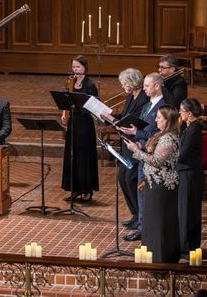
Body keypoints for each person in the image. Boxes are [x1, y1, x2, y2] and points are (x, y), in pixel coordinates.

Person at [124, 105, 181, 263]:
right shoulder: (160, 134)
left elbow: (157, 161)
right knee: (150, 219)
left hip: (161, 186)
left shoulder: (169, 138)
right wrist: (138, 147)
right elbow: (151, 152)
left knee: (159, 220)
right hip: (152, 183)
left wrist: (136, 152)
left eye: (159, 117)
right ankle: (150, 253)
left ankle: (160, 256)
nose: (155, 119)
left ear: (167, 120)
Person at [118, 72, 167, 242]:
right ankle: (141, 226)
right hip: (142, 153)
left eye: (147, 86)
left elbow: (158, 132)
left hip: (153, 156)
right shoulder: (148, 105)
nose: (144, 88)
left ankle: (145, 228)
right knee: (141, 192)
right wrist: (136, 137)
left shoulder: (164, 106)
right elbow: (143, 127)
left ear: (157, 86)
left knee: (147, 193)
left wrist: (137, 133)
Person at [99, 68, 148, 231]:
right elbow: (124, 116)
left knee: (131, 179)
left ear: (132, 83)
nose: (122, 87)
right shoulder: (131, 96)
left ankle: (140, 216)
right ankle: (135, 213)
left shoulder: (143, 99)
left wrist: (112, 119)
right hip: (126, 145)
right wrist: (108, 117)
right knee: (122, 178)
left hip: (136, 144)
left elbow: (132, 123)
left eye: (124, 84)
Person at [61, 55, 99, 203]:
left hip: (84, 124)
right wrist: (63, 113)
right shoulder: (71, 82)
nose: (75, 69)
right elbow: (65, 99)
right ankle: (75, 188)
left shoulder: (90, 86)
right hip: (73, 123)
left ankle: (87, 190)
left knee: (84, 156)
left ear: (84, 68)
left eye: (77, 67)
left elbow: (94, 105)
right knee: (72, 155)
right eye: (73, 66)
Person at [178, 98, 204, 258]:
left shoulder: (193, 130)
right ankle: (189, 246)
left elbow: (182, 154)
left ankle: (187, 249)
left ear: (189, 113)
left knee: (187, 212)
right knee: (186, 211)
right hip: (187, 173)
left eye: (181, 111)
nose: (179, 113)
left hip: (189, 175)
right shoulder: (189, 127)